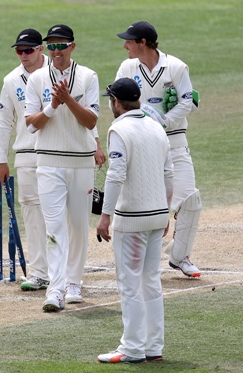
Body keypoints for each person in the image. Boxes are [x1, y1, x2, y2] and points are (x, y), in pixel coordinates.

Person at [116, 21, 202, 278]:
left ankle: (180, 257)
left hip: (174, 141)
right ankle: (136, 260)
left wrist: (161, 121)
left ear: (143, 42)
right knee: (143, 203)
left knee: (191, 200)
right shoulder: (127, 67)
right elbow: (119, 102)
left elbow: (188, 101)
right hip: (142, 144)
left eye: (129, 41)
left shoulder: (175, 67)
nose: (125, 45)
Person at [96, 78, 173, 364]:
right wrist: (165, 210)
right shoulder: (156, 126)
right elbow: (169, 172)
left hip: (132, 220)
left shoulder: (119, 129)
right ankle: (153, 347)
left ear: (116, 102)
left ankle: (131, 347)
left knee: (130, 283)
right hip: (156, 215)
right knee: (150, 281)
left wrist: (105, 216)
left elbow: (115, 175)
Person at [24, 24, 99, 311]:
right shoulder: (37, 79)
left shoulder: (88, 76)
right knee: (54, 226)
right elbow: (31, 124)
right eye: (51, 46)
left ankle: (73, 282)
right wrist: (54, 105)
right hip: (48, 162)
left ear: (72, 46)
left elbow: (91, 121)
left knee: (78, 225)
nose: (56, 51)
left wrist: (68, 99)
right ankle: (55, 290)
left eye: (61, 45)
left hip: (80, 162)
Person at [0, 28, 51, 292]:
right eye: (19, 50)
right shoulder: (11, 80)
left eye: (29, 50)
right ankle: (40, 272)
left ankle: (64, 272)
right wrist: (1, 159)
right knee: (32, 213)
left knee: (58, 213)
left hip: (57, 153)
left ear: (41, 49)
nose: (24, 55)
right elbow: (5, 122)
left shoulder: (59, 72)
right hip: (26, 154)